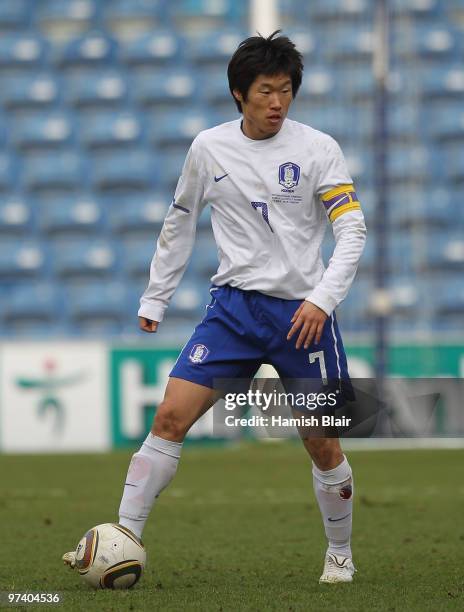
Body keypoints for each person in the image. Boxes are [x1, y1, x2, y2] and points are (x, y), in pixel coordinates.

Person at [63, 30, 366, 584]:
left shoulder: (319, 149)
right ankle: (124, 539)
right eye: (266, 91)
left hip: (304, 316)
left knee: (322, 444)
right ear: (238, 93)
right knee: (170, 418)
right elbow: (180, 221)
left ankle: (339, 553)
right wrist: (157, 295)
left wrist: (323, 300)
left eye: (286, 91)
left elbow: (352, 231)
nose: (278, 102)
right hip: (232, 313)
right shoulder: (209, 147)